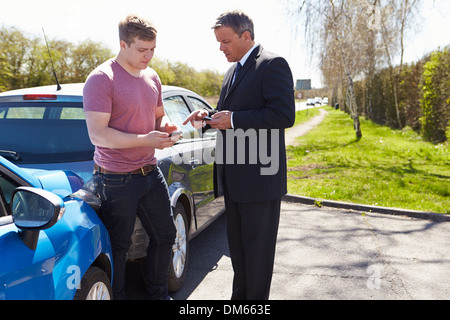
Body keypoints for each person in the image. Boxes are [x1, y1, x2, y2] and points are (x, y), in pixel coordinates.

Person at [183, 10, 295, 300]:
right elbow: (228, 112)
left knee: (257, 260)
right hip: (234, 180)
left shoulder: (273, 64)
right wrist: (207, 116)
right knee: (240, 256)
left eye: (226, 41)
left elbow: (283, 115)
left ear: (246, 36)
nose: (221, 48)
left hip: (260, 180)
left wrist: (233, 120)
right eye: (219, 42)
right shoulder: (231, 71)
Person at [83, 14, 178, 300]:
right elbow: (98, 135)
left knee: (166, 236)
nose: (148, 56)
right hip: (115, 179)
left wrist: (167, 130)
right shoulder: (102, 79)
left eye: (152, 50)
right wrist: (146, 139)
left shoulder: (152, 76)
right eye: (141, 50)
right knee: (118, 248)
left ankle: (157, 294)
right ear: (123, 44)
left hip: (150, 172)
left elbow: (159, 119)